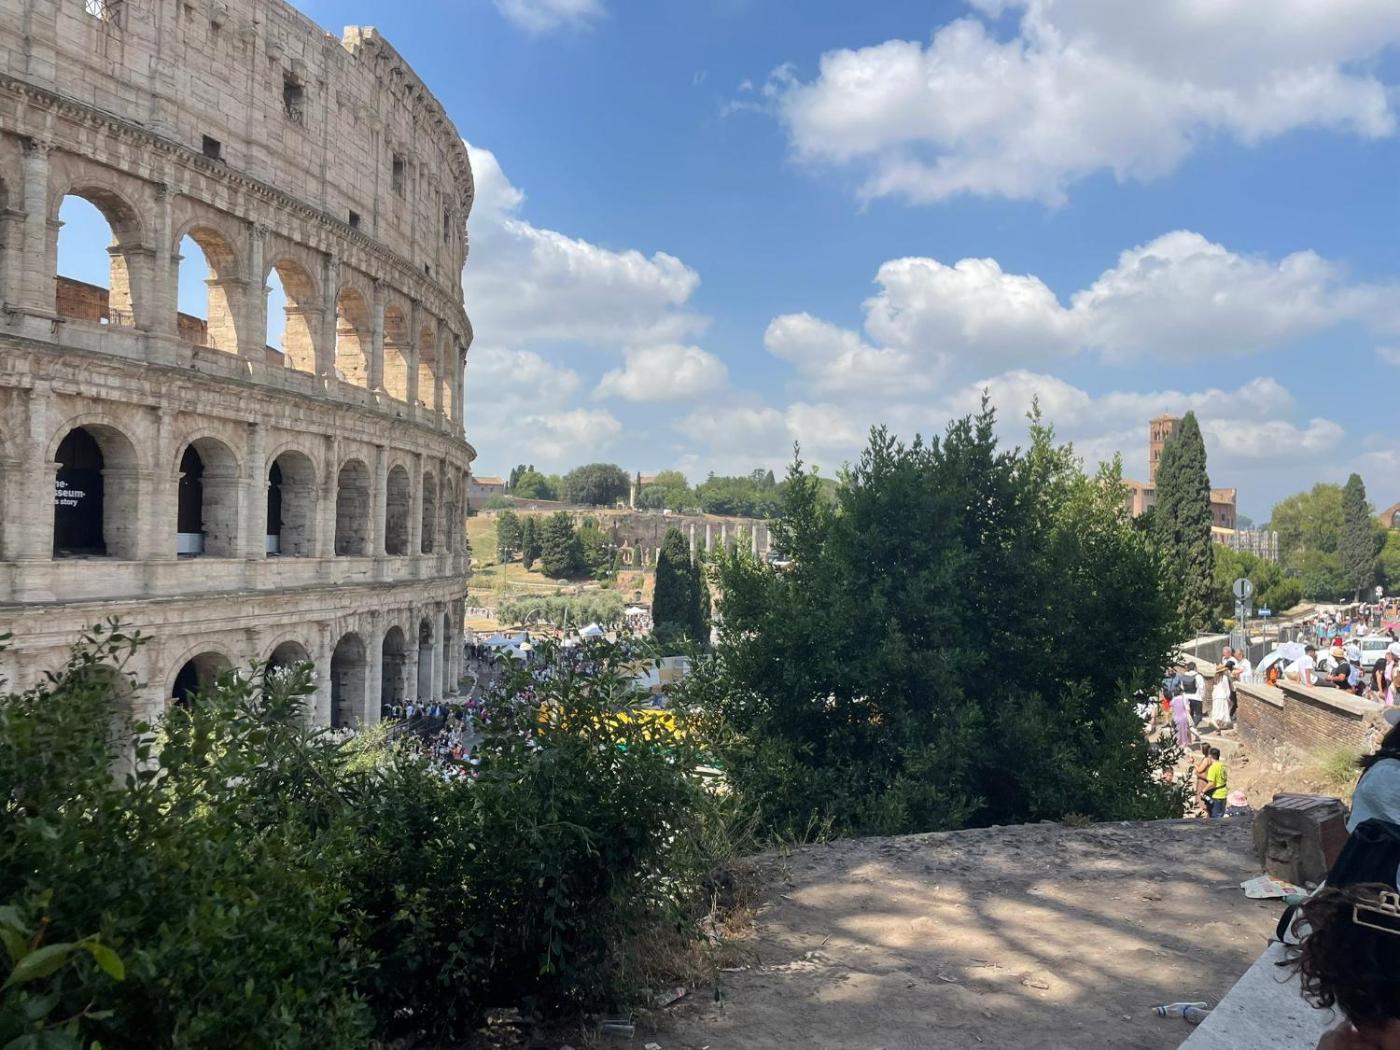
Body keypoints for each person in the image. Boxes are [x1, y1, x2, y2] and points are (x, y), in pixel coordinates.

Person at [1204, 747, 1228, 818]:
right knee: (1221, 815)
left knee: (1215, 819)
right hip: (1223, 793)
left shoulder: (1213, 767)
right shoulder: (1222, 765)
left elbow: (1212, 783)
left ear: (1210, 756)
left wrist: (1203, 791)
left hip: (1216, 795)